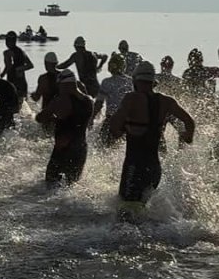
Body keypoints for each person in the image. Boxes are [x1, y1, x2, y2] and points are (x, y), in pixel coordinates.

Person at [109, 62, 195, 219]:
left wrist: (124, 128)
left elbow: (114, 129)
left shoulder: (131, 99)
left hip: (134, 165)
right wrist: (187, 137)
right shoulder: (167, 101)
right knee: (142, 210)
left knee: (126, 212)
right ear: (153, 82)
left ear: (135, 81)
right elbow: (189, 121)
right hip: (154, 167)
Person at [38, 70, 93, 187]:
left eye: (60, 86)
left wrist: (53, 117)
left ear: (66, 84)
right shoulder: (89, 101)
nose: (59, 89)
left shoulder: (61, 100)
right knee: (71, 186)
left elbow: (40, 118)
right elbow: (77, 121)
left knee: (49, 186)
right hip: (81, 149)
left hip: (63, 150)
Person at [94, 53, 134, 145]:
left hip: (111, 120)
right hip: (128, 121)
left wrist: (92, 118)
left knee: (101, 147)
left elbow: (99, 104)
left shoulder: (106, 82)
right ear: (123, 66)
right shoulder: (131, 81)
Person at [2, 31, 35, 100]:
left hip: (12, 80)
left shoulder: (7, 53)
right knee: (23, 102)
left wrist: (1, 76)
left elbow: (8, 66)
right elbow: (30, 65)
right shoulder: (22, 52)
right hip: (22, 81)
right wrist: (20, 69)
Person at [30, 52, 61, 118]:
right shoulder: (63, 76)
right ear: (56, 63)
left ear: (46, 63)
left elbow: (36, 98)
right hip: (61, 111)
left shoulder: (43, 78)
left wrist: (31, 95)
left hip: (47, 112)